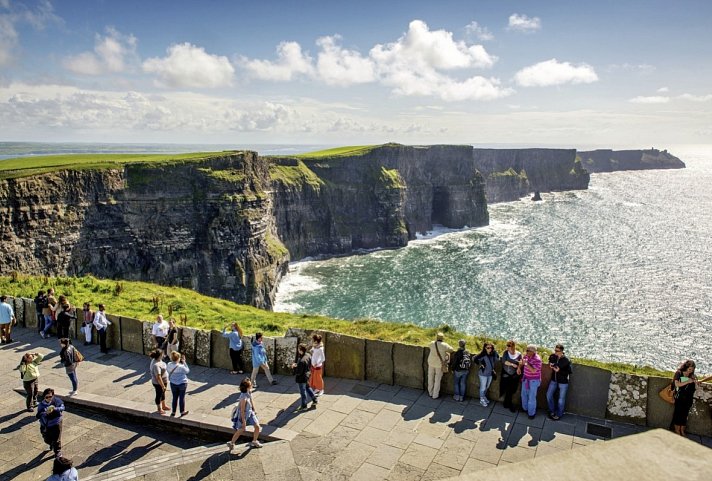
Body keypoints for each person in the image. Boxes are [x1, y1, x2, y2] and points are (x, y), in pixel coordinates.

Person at [227, 378, 262, 451]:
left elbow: (251, 400)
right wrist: (243, 421)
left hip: (250, 413)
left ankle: (254, 441)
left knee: (257, 426)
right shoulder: (243, 398)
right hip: (244, 415)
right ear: (247, 387)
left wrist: (254, 409)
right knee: (241, 429)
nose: (252, 385)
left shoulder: (249, 392)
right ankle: (232, 442)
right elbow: (242, 411)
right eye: (250, 384)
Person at [671, 360, 699, 437]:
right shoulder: (679, 373)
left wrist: (695, 381)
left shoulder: (692, 375)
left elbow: (695, 387)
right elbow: (676, 384)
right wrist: (688, 381)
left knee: (685, 414)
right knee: (678, 413)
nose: (690, 371)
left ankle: (682, 430)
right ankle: (677, 430)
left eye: (692, 370)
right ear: (686, 367)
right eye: (690, 369)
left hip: (688, 398)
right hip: (679, 397)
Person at [546, 344, 572, 420]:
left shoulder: (566, 360)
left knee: (561, 400)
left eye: (557, 351)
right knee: (548, 395)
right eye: (555, 350)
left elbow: (569, 372)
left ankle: (559, 414)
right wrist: (550, 365)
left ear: (562, 351)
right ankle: (552, 410)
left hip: (563, 382)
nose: (555, 352)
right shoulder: (553, 356)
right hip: (554, 379)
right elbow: (550, 362)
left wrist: (559, 371)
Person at [36, 388, 65, 457]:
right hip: (45, 424)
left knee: (56, 438)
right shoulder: (41, 405)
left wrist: (55, 409)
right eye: (47, 397)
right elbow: (38, 414)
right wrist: (45, 413)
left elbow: (62, 407)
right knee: (46, 438)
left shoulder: (56, 401)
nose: (49, 398)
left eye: (50, 396)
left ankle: (57, 451)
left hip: (56, 422)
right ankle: (51, 444)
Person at [426, 332, 454, 399]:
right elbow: (451, 350)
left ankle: (430, 392)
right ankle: (435, 395)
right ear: (442, 338)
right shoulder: (444, 345)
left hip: (431, 363)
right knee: (437, 379)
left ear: (436, 337)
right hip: (439, 364)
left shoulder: (432, 343)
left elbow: (428, 345)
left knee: (430, 377)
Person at [518, 344, 542, 419]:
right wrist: (519, 368)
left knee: (532, 397)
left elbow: (533, 371)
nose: (526, 351)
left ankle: (531, 413)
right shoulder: (526, 356)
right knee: (524, 395)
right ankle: (525, 408)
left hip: (533, 381)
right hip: (526, 379)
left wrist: (526, 364)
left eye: (528, 350)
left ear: (533, 351)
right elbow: (522, 362)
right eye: (526, 350)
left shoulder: (537, 359)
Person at [292, 343, 318, 411]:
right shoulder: (308, 355)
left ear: (301, 350)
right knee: (308, 387)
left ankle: (304, 406)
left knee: (303, 392)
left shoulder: (301, 361)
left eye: (298, 349)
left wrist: (294, 367)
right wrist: (298, 365)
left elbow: (298, 372)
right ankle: (314, 399)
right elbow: (307, 365)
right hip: (307, 375)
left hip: (301, 378)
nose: (298, 350)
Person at [473, 342, 500, 407]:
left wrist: (495, 352)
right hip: (483, 374)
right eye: (488, 348)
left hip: (490, 373)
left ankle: (484, 397)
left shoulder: (493, 354)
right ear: (485, 348)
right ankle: (481, 399)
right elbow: (474, 358)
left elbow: (497, 360)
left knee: (487, 387)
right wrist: (480, 364)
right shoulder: (482, 354)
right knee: (483, 387)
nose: (489, 349)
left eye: (491, 348)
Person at [500, 340, 522, 413]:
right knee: (508, 390)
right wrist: (512, 364)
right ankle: (508, 404)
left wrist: (519, 368)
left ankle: (507, 403)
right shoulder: (506, 353)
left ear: (513, 346)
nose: (507, 347)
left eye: (509, 345)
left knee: (512, 390)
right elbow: (504, 361)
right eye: (507, 345)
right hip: (506, 374)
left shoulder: (519, 354)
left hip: (514, 375)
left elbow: (520, 363)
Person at [167, 351, 190, 417]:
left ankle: (173, 412)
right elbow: (187, 371)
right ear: (178, 359)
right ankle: (182, 411)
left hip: (173, 383)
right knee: (181, 398)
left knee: (174, 397)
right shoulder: (181, 367)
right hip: (182, 383)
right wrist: (184, 362)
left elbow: (168, 371)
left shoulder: (168, 364)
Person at [149, 349, 170, 414]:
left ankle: (163, 405)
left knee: (162, 393)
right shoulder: (156, 365)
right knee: (159, 394)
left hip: (164, 380)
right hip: (158, 383)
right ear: (160, 355)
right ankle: (159, 408)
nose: (164, 355)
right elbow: (158, 377)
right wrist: (162, 385)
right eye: (162, 354)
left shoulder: (158, 360)